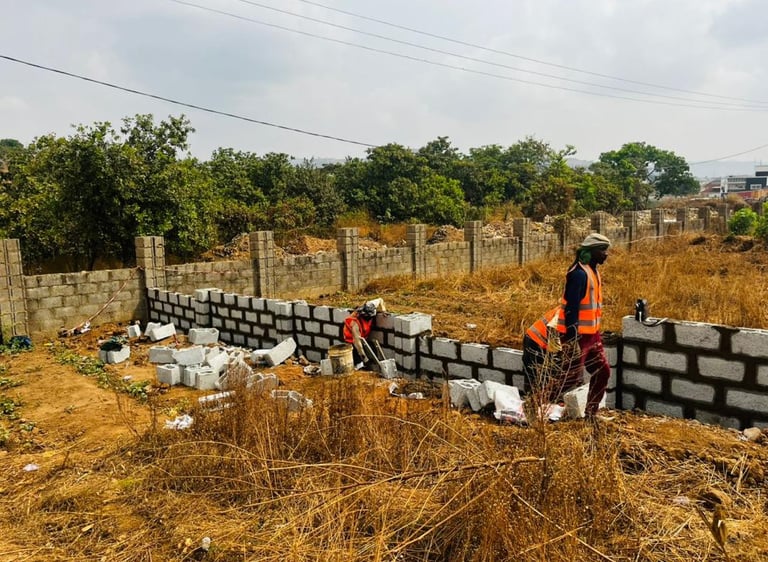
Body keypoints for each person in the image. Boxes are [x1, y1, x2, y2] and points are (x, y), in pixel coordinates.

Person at [556, 233, 613, 419]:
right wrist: (572, 339)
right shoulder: (579, 274)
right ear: (592, 252)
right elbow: (571, 308)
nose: (606, 254)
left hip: (592, 335)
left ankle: (590, 414)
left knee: (602, 372)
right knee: (568, 378)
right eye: (603, 250)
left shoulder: (593, 271)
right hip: (577, 336)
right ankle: (538, 406)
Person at [522, 306, 561, 397]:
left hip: (532, 338)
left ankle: (531, 399)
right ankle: (533, 400)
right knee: (537, 373)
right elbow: (552, 329)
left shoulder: (568, 307)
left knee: (532, 372)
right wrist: (556, 355)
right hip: (535, 342)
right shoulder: (566, 310)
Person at [343, 298, 387, 369]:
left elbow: (380, 299)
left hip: (362, 339)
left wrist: (383, 310)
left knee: (372, 349)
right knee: (358, 360)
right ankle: (359, 367)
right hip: (351, 342)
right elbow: (358, 344)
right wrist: (365, 359)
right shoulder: (355, 323)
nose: (369, 319)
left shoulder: (370, 306)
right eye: (367, 318)